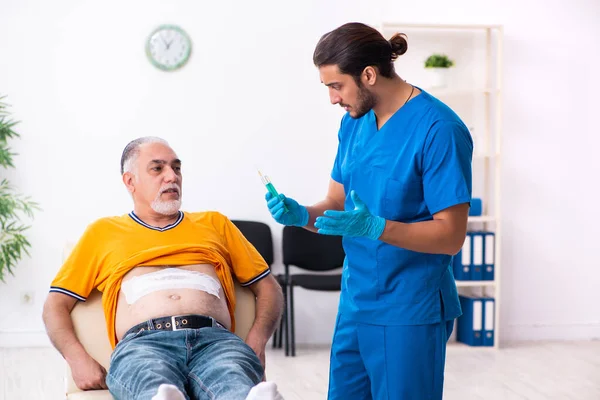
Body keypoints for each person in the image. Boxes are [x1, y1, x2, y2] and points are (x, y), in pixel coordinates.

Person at [265, 22, 473, 399]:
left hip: (409, 309)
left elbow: (451, 236)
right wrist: (301, 215)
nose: (332, 99)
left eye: (336, 86)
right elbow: (337, 206)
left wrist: (377, 227)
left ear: (369, 75)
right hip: (355, 302)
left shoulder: (438, 129)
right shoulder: (354, 124)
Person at [43, 137, 285, 400]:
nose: (172, 176)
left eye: (176, 168)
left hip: (216, 342)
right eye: (157, 168)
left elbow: (268, 287)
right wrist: (77, 358)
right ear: (130, 181)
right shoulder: (103, 233)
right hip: (143, 345)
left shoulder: (215, 223)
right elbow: (55, 304)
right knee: (152, 384)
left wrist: (257, 342)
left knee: (232, 383)